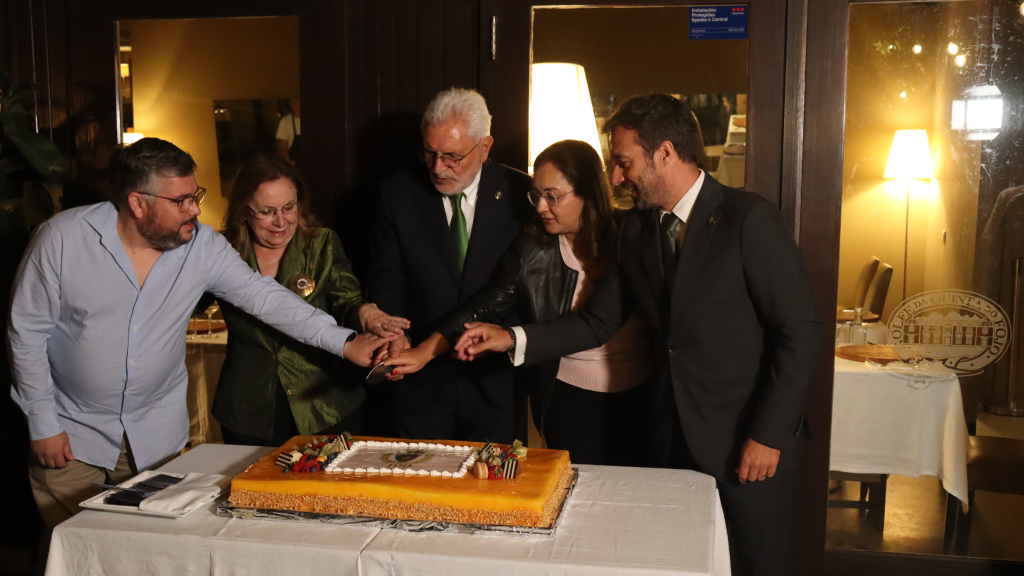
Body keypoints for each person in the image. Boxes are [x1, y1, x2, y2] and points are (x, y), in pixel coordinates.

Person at [453, 94, 822, 576]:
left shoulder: (748, 221)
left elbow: (799, 332)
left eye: (624, 163)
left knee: (756, 565)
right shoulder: (638, 231)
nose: (616, 178)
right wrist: (513, 338)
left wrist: (769, 434)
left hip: (748, 444)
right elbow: (598, 320)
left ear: (665, 153)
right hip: (671, 443)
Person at [8, 138, 392, 528]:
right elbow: (26, 334)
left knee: (148, 558)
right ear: (138, 203)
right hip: (72, 439)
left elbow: (267, 299)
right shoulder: (61, 239)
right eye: (181, 201)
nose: (196, 209)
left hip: (157, 443)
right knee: (76, 557)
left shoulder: (203, 246)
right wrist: (43, 425)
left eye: (196, 195)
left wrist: (344, 342)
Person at [385, 140, 652, 465]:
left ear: (588, 193)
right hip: (567, 398)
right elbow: (484, 305)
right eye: (536, 196)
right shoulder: (531, 250)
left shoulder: (635, 233)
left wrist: (512, 337)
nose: (540, 207)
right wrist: (427, 350)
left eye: (552, 196)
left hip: (642, 393)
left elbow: (601, 322)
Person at [365, 87, 532, 444]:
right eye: (430, 153)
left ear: (484, 148)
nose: (438, 168)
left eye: (452, 156)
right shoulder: (397, 193)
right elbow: (387, 274)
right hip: (419, 381)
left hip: (495, 383)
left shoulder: (523, 195)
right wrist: (397, 334)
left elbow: (517, 289)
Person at [212, 153, 410, 446]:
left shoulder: (322, 243)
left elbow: (346, 301)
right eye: (267, 211)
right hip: (248, 405)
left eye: (289, 207)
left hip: (324, 401)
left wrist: (365, 313)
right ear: (243, 210)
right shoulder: (221, 253)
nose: (281, 221)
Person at [276, 97, 301, 166]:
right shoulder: (285, 121)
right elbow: (283, 145)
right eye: (292, 102)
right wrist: (289, 162)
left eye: (297, 102)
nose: (294, 104)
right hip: (295, 162)